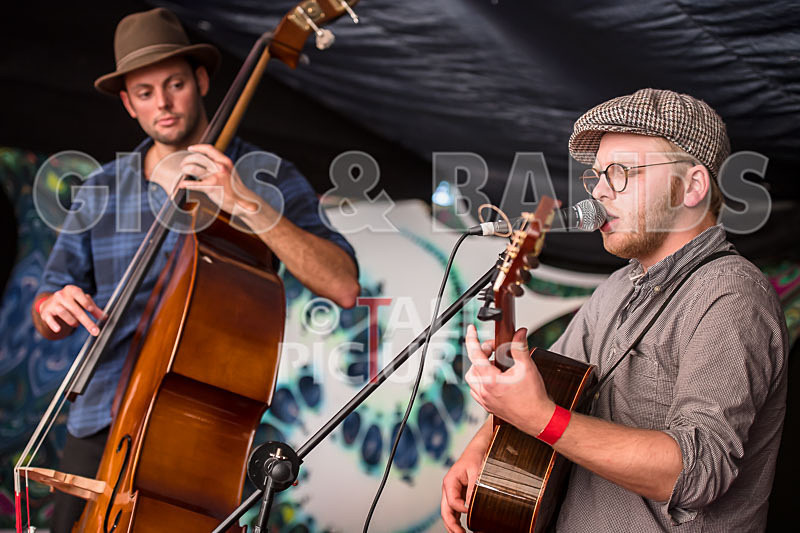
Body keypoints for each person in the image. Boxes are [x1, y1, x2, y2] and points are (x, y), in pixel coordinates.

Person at [30, 8, 360, 532]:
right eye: (144, 93)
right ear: (128, 104)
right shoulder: (100, 189)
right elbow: (46, 309)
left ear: (202, 80)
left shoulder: (264, 176)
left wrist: (247, 203)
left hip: (203, 431)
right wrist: (54, 307)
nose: (162, 103)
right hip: (100, 421)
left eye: (175, 84)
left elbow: (342, 283)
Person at [441, 89, 788, 532]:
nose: (601, 191)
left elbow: (697, 472)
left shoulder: (731, 296)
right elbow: (542, 387)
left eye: (621, 172)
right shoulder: (617, 288)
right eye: (598, 175)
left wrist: (542, 419)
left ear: (692, 187)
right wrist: (480, 446)